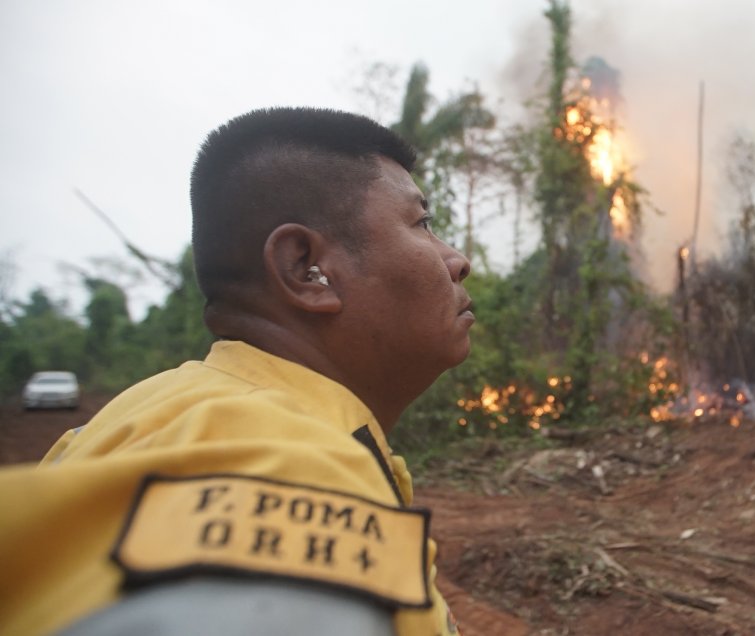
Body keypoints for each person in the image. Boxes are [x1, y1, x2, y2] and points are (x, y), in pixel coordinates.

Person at [0, 107, 473, 636]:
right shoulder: (288, 466)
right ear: (304, 269)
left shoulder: (149, 408)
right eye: (422, 224)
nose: (457, 260)